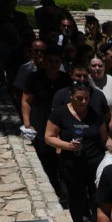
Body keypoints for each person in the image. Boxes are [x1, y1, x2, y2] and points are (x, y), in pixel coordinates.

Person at [46, 82, 108, 222]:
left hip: (95, 163)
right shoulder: (60, 113)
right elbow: (49, 137)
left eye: (86, 98)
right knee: (76, 197)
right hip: (71, 164)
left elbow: (104, 139)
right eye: (79, 98)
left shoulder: (96, 114)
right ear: (71, 96)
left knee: (97, 199)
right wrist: (67, 145)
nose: (83, 102)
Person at [21, 46, 70, 202]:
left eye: (56, 61)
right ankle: (53, 193)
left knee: (64, 165)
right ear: (44, 61)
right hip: (41, 127)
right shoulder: (34, 78)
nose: (53, 64)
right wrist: (28, 124)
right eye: (50, 61)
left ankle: (66, 195)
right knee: (47, 163)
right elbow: (26, 101)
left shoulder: (66, 80)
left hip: (62, 130)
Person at [87, 52, 112, 120]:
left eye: (100, 66)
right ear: (89, 66)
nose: (97, 68)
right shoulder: (85, 82)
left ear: (104, 66)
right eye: (93, 66)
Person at [12, 37, 46, 114]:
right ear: (31, 51)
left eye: (42, 51)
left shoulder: (54, 66)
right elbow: (17, 89)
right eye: (36, 51)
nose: (39, 54)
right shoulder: (25, 68)